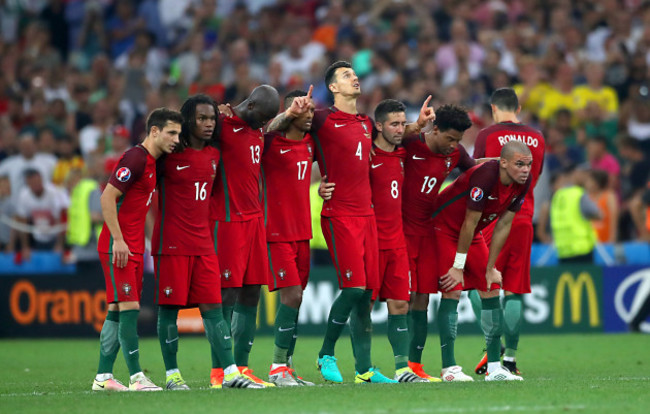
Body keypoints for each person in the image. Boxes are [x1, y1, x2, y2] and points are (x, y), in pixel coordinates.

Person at [269, 60, 434, 384]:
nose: (355, 78)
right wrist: (289, 113)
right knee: (354, 286)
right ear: (333, 87)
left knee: (366, 294)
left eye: (355, 74)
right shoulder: (320, 119)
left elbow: (391, 135)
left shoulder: (363, 122)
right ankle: (325, 353)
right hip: (339, 215)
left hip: (367, 217)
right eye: (347, 76)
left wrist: (417, 125)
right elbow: (272, 133)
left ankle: (364, 369)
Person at [153, 94, 264, 390]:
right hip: (172, 244)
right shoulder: (168, 156)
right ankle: (172, 375)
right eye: (201, 118)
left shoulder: (216, 153)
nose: (207, 123)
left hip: (204, 244)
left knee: (214, 308)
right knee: (169, 309)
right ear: (188, 119)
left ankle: (229, 373)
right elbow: (137, 184)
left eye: (212, 118)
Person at [93, 107, 182, 391]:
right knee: (129, 307)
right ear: (154, 131)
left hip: (132, 245)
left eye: (178, 134)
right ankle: (136, 377)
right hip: (117, 244)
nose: (176, 139)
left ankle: (103, 377)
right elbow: (107, 198)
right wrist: (118, 240)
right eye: (171, 132)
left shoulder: (154, 162)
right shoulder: (135, 158)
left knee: (117, 310)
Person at [431, 140, 533, 382]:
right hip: (443, 228)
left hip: (473, 232)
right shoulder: (486, 176)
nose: (525, 170)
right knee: (452, 290)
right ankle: (449, 368)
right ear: (504, 163)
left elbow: (503, 225)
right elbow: (468, 221)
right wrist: (458, 266)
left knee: (491, 287)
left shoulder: (522, 182)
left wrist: (490, 267)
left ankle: (495, 368)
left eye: (528, 165)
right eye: (519, 164)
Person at [470, 87, 546, 376]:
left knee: (481, 284)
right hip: (524, 215)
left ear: (493, 109)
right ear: (517, 107)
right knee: (514, 290)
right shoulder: (537, 137)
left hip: (493, 218)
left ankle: (495, 344)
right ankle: (511, 362)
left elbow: (474, 174)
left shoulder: (487, 136)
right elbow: (532, 176)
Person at [210, 85, 280, 388]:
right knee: (225, 294)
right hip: (227, 221)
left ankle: (241, 366)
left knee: (252, 291)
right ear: (250, 106)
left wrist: (290, 112)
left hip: (254, 222)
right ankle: (220, 371)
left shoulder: (258, 130)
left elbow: (274, 126)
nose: (263, 124)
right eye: (262, 117)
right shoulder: (220, 125)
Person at [400, 104, 474, 382]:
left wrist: (500, 165)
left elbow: (475, 172)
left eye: (458, 140)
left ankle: (415, 366)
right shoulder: (410, 143)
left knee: (422, 297)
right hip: (400, 229)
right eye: (450, 139)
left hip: (429, 232)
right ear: (435, 129)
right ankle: (375, 367)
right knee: (400, 299)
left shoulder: (455, 153)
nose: (454, 146)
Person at [367, 99, 428, 383]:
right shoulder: (366, 156)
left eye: (403, 123)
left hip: (398, 242)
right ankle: (362, 367)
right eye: (394, 124)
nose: (400, 129)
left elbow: (415, 134)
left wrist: (417, 125)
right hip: (370, 242)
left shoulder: (404, 153)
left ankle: (402, 369)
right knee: (364, 305)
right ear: (378, 125)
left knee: (401, 304)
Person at [263, 89, 317, 386]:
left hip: (302, 234)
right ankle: (276, 367)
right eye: (304, 110)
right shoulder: (271, 143)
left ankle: (288, 367)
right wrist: (288, 114)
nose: (309, 115)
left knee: (297, 300)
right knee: (292, 295)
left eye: (311, 110)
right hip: (276, 232)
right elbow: (266, 129)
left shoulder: (311, 144)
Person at [550, 166, 602, 264]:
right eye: (584, 174)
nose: (586, 177)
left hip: (562, 251)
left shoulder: (557, 196)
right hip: (581, 250)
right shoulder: (578, 194)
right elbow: (598, 214)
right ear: (575, 173)